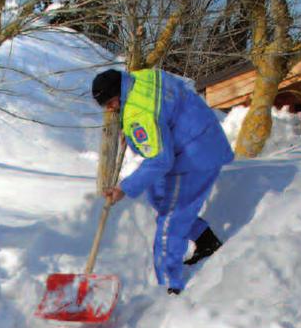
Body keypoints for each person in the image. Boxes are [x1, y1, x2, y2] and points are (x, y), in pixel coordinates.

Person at [92, 67, 233, 294]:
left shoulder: (139, 114)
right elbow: (160, 112)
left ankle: (168, 286)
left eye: (109, 104)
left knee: (170, 219)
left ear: (118, 96)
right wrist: (129, 132)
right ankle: (206, 241)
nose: (109, 110)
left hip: (194, 156)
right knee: (158, 196)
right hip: (199, 138)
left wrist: (123, 188)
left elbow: (159, 160)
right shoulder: (142, 78)